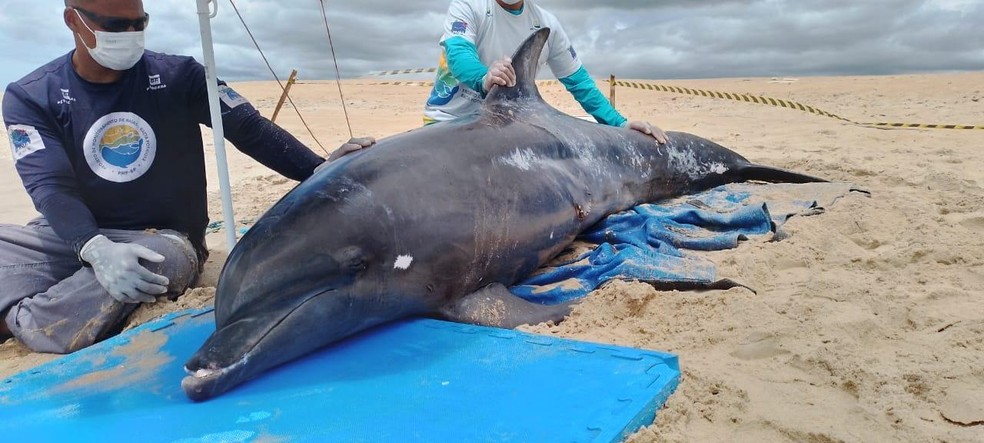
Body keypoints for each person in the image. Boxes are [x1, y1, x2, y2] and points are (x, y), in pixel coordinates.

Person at [0, 0, 374, 353]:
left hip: (164, 238)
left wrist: (317, 168)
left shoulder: (180, 76)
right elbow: (50, 185)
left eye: (139, 23)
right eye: (115, 25)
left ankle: (22, 320)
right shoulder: (31, 96)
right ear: (72, 21)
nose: (130, 33)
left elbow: (249, 129)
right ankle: (72, 287)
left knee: (160, 262)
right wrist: (92, 247)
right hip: (77, 233)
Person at [423, 0, 668, 144]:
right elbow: (458, 54)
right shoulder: (468, 5)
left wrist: (619, 123)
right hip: (448, 121)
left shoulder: (546, 23)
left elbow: (578, 81)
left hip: (505, 127)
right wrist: (484, 77)